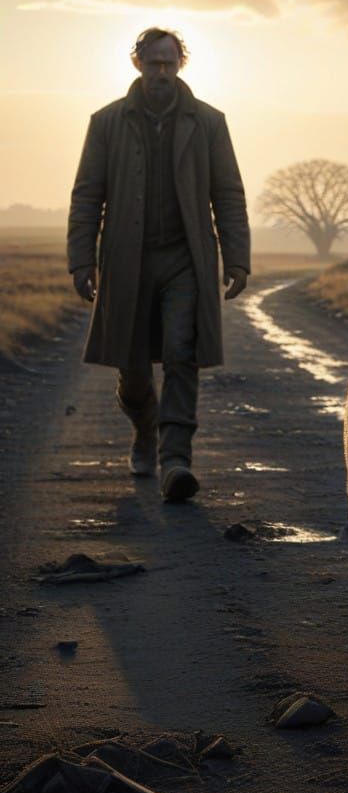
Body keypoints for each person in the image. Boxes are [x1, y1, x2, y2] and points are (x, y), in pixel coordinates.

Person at [67, 28, 250, 501]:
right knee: (130, 369)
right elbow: (88, 194)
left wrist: (237, 258)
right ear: (138, 65)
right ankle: (145, 433)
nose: (162, 72)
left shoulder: (209, 122)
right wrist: (81, 259)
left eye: (169, 63)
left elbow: (228, 193)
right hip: (127, 259)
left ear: (180, 65)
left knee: (180, 353)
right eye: (154, 63)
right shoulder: (106, 122)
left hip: (185, 258)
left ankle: (175, 461)